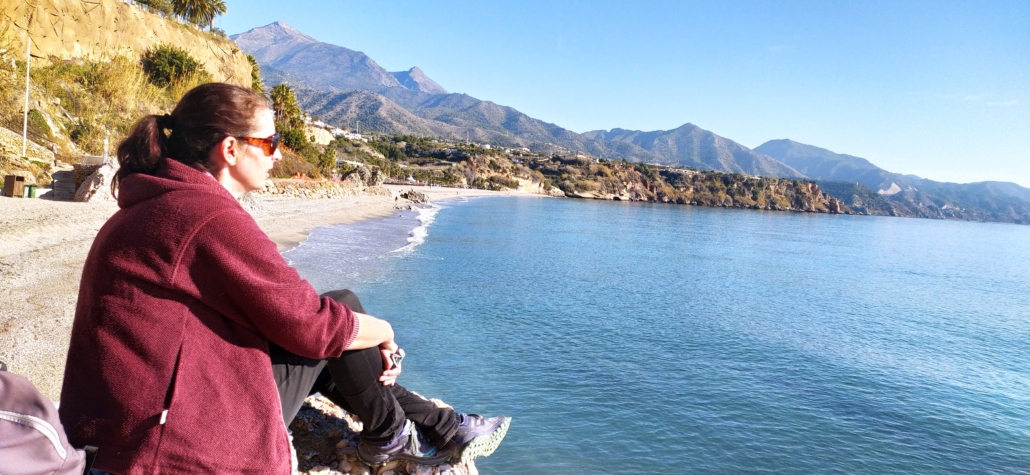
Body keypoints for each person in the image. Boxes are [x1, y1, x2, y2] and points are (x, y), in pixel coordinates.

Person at [58, 83, 509, 475]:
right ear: (230, 149)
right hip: (163, 448)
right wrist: (386, 330)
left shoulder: (159, 202)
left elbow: (287, 316)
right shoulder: (206, 216)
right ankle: (407, 433)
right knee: (343, 314)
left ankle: (433, 426)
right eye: (270, 142)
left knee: (339, 320)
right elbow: (314, 327)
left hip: (122, 429)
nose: (279, 153)